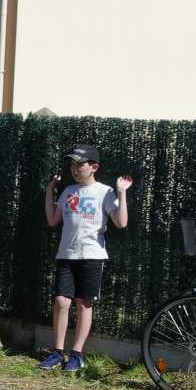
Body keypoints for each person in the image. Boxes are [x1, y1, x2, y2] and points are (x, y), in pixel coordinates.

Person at [41, 145, 132, 374]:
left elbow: (121, 222)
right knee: (62, 301)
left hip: (92, 256)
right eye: (72, 164)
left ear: (94, 167)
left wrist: (122, 192)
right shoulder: (68, 191)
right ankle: (57, 352)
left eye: (79, 164)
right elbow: (53, 220)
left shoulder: (105, 191)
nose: (74, 169)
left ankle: (77, 354)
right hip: (66, 255)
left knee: (84, 303)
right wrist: (50, 191)